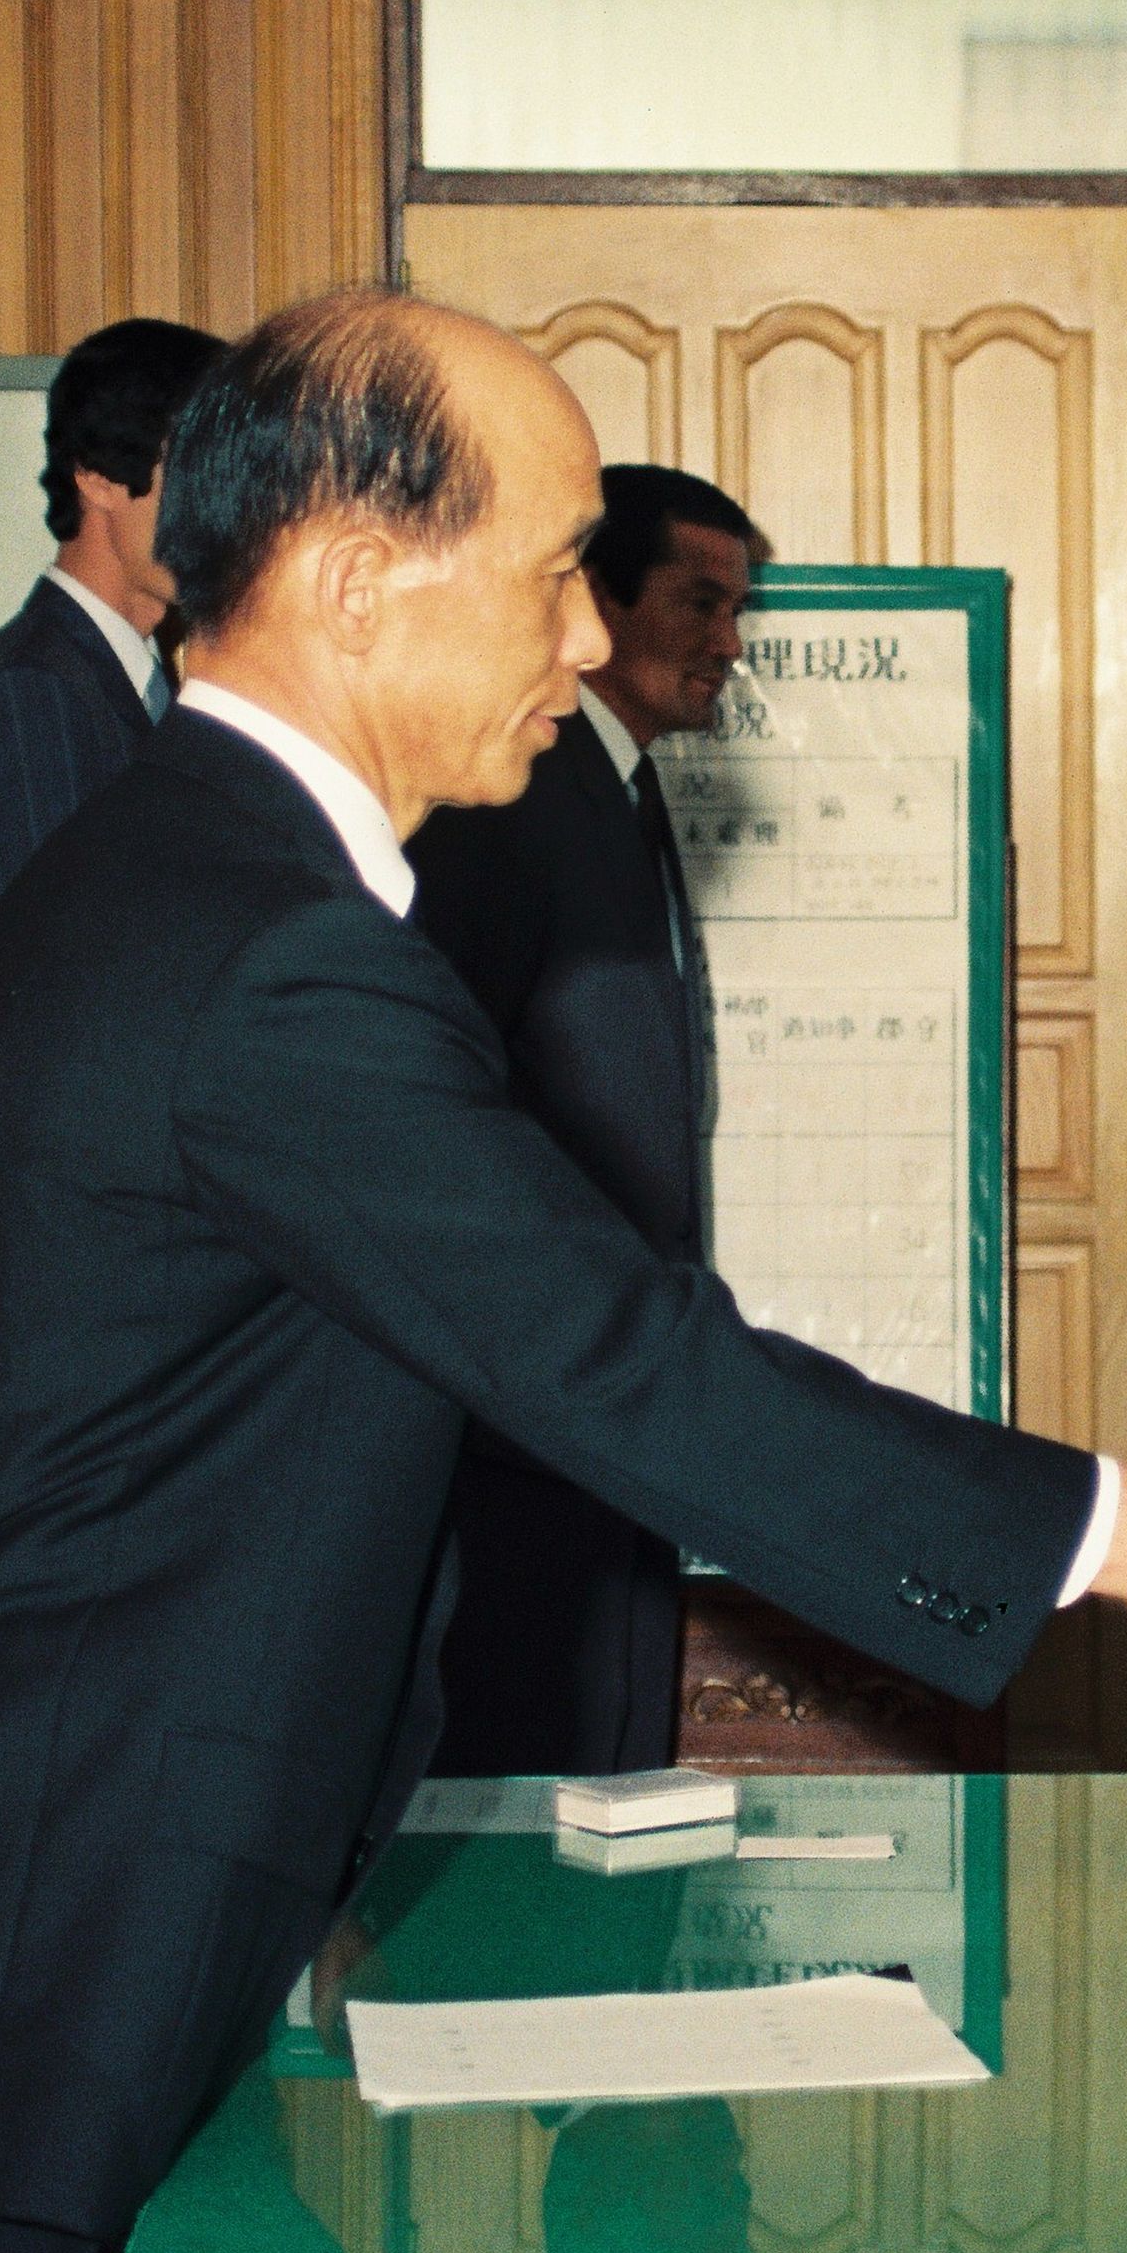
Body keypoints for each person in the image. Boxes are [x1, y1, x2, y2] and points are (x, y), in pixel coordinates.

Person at [0, 290, 1127, 2253]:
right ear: (358, 580)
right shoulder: (263, 947)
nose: (585, 635)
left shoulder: (224, 869)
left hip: (121, 1920)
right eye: (556, 567)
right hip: (29, 1981)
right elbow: (622, 1360)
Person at [404, 463, 765, 1776]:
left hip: (614, 1384)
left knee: (614, 1751)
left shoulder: (617, 788)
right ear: (593, 603)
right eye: (699, 603)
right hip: (530, 1403)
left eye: (739, 610)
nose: (729, 641)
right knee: (532, 1766)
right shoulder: (509, 803)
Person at [0, 315, 227, 984]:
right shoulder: (30, 691)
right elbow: (50, 982)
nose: (224, 515)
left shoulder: (143, 683)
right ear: (98, 475)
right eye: (198, 476)